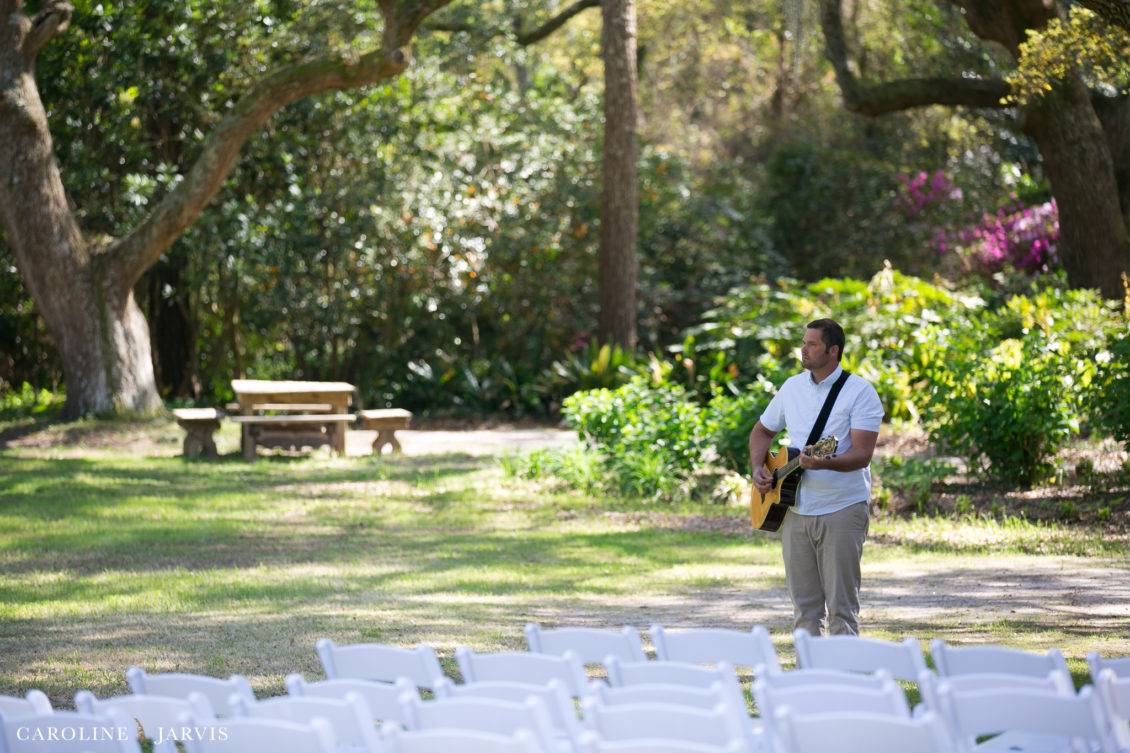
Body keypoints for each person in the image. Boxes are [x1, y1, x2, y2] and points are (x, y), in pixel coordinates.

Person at [749, 318, 883, 636]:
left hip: (842, 508)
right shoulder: (792, 387)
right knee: (804, 611)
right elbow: (762, 431)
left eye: (812, 344)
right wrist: (758, 468)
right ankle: (806, 682)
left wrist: (825, 464)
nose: (804, 350)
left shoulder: (860, 392)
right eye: (803, 343)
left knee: (841, 610)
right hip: (795, 510)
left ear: (833, 350)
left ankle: (843, 682)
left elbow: (863, 454)